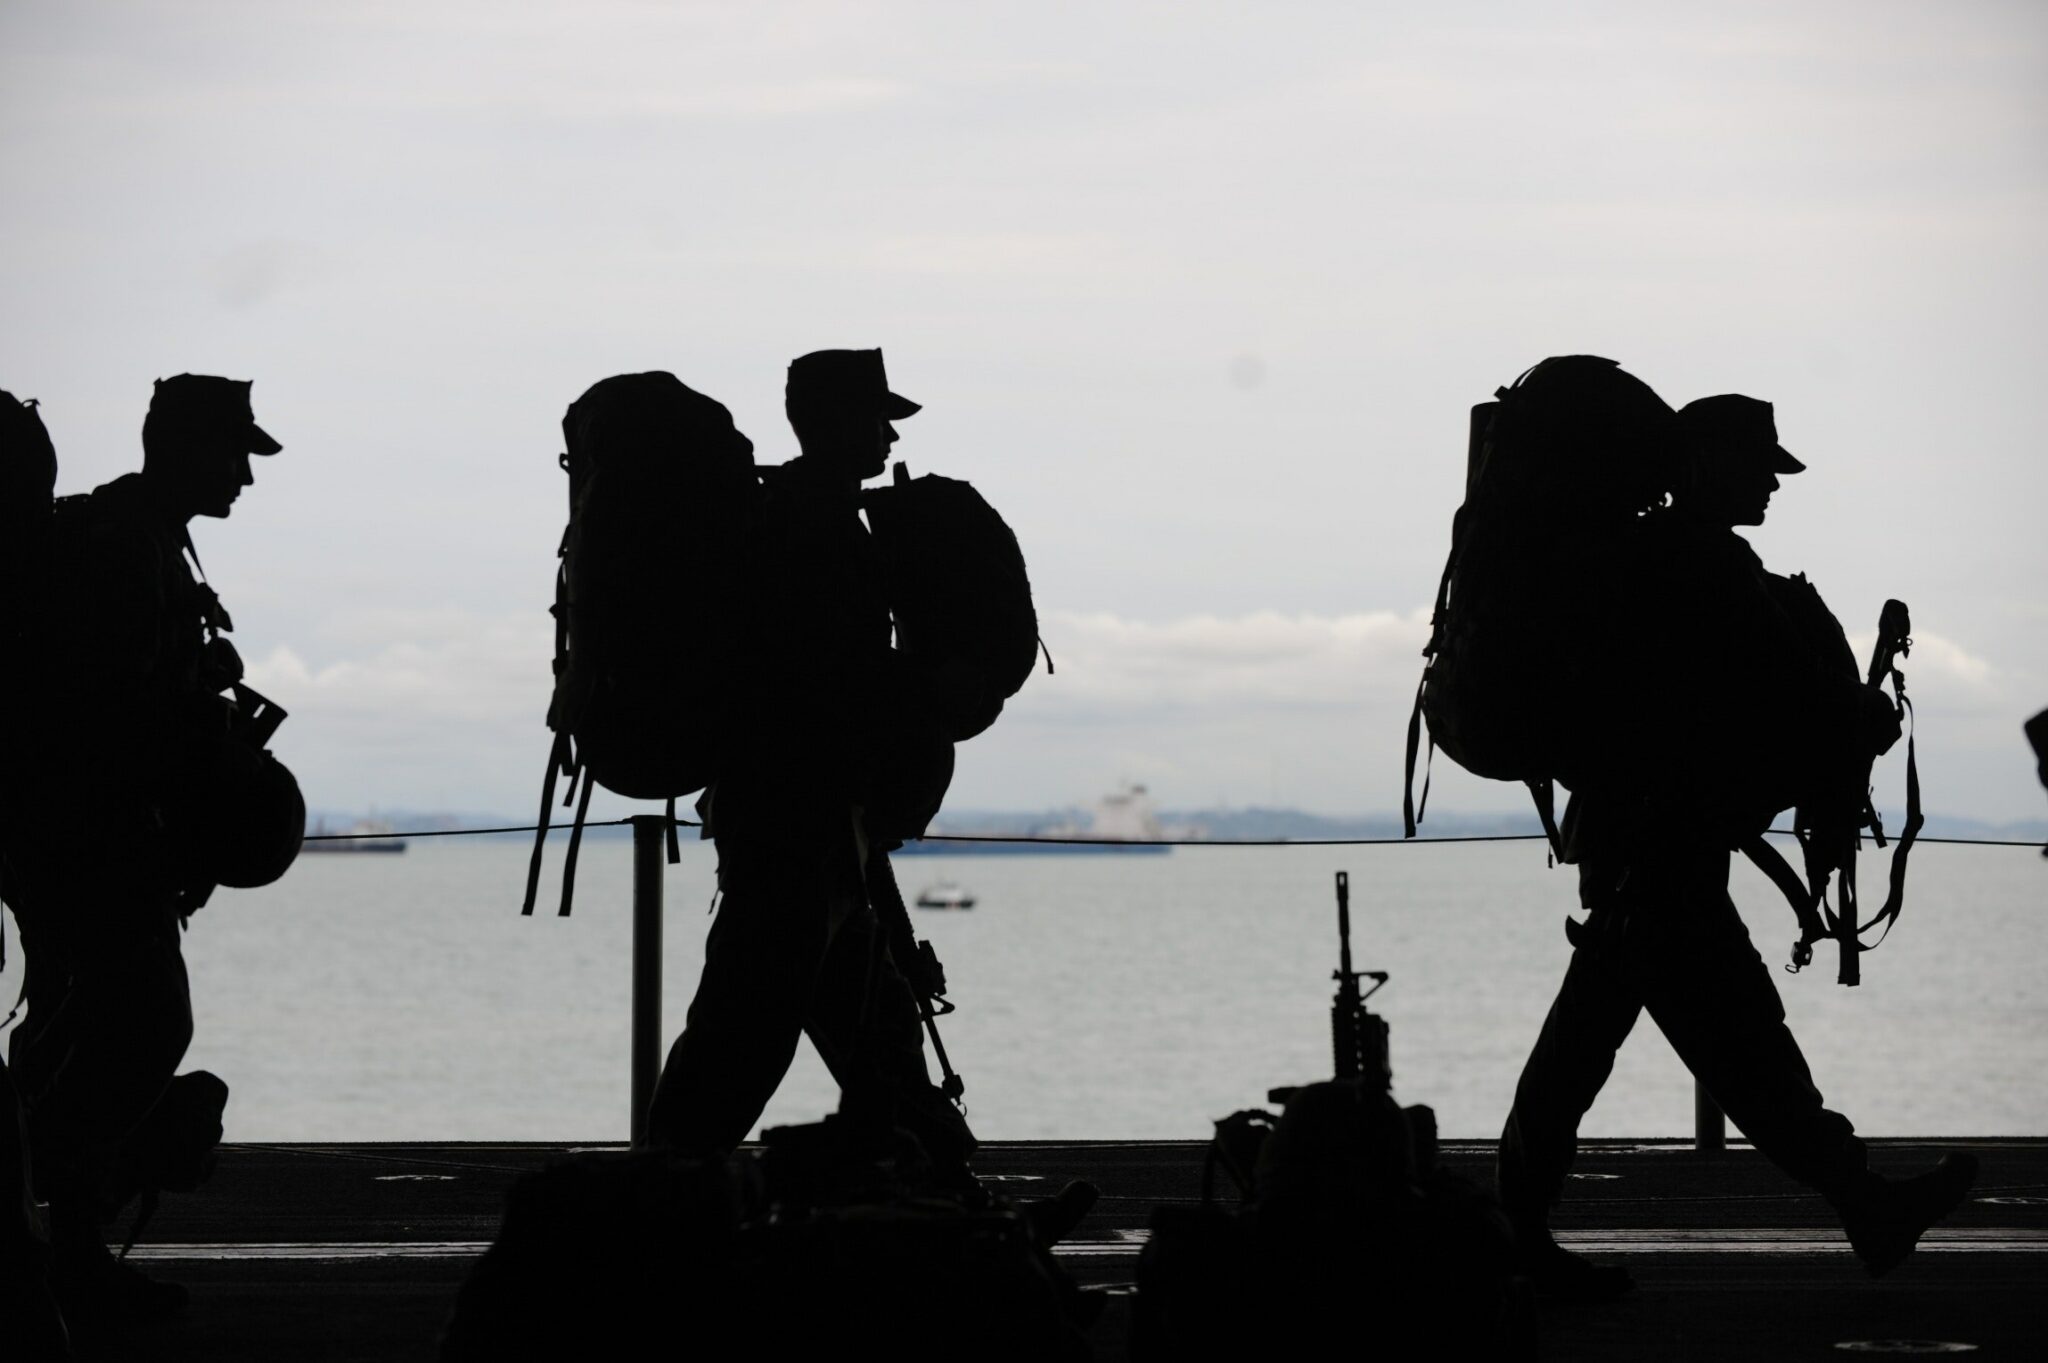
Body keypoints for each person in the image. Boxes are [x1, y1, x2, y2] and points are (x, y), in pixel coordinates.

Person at [1495, 391, 1978, 1300]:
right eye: (1759, 467)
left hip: (1642, 842)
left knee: (1619, 1046)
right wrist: (1870, 714)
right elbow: (1790, 695)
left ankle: (1516, 1228)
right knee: (1740, 1050)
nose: (1771, 484)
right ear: (1704, 465)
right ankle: (1864, 1201)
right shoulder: (1703, 565)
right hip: (1661, 849)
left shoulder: (1653, 560)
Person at [643, 349, 979, 1186]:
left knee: (881, 1038)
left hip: (821, 827)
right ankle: (653, 1207)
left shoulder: (811, 516)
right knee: (745, 1035)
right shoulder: (807, 526)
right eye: (877, 415)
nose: (889, 431)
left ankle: (962, 1206)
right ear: (833, 422)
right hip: (796, 825)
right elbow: (825, 682)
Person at [1, 374, 279, 1320]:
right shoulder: (126, 548)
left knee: (70, 1030)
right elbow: (107, 715)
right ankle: (67, 1247)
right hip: (92, 838)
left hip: (71, 837)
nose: (245, 472)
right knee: (145, 1023)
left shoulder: (141, 537)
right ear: (182, 447)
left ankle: (49, 1243)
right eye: (233, 451)